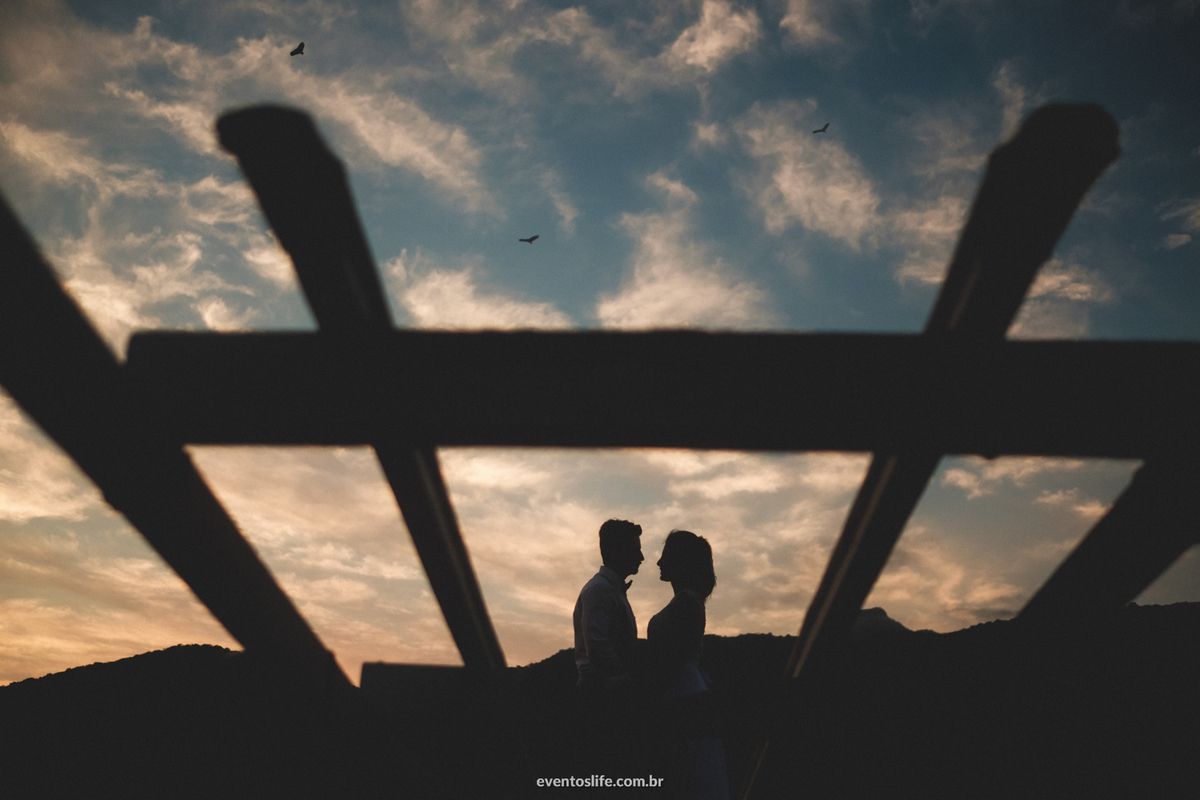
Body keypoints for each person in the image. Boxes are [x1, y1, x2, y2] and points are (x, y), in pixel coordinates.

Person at [647, 530, 730, 800]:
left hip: (681, 689)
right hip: (683, 685)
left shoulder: (687, 604)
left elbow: (673, 658)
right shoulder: (686, 601)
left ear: (680, 561)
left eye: (665, 557)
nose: (659, 563)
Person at [571, 519, 645, 785]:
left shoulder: (608, 590)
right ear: (616, 551)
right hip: (601, 698)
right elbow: (597, 644)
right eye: (635, 549)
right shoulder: (601, 590)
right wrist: (624, 680)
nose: (642, 557)